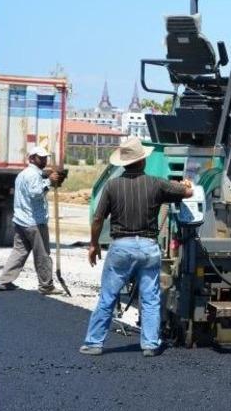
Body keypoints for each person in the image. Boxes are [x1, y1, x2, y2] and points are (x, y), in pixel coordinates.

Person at [79, 138, 192, 357]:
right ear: (142, 161)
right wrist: (188, 185)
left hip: (121, 247)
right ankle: (149, 344)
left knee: (108, 296)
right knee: (150, 298)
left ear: (124, 163)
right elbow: (187, 193)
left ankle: (94, 343)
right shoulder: (156, 184)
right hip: (149, 247)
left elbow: (98, 218)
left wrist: (94, 244)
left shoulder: (112, 186)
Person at [0, 146, 63, 294]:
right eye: (41, 158)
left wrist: (48, 180)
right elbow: (35, 193)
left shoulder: (24, 174)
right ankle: (46, 286)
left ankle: (4, 281)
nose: (44, 160)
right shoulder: (33, 175)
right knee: (42, 254)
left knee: (19, 252)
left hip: (21, 221)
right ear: (31, 158)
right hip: (34, 222)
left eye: (45, 158)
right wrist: (49, 182)